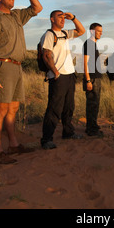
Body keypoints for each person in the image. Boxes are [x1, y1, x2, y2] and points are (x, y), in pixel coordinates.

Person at [0, 0, 43, 164]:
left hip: (17, 67)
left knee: (13, 108)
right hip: (2, 66)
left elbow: (37, 8)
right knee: (0, 109)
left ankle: (13, 145)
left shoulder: (16, 16)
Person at [40, 10, 85, 149]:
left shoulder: (65, 33)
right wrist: (56, 72)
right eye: (59, 17)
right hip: (58, 76)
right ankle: (47, 139)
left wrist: (74, 18)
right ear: (52, 19)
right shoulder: (49, 34)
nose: (62, 19)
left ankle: (68, 132)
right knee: (54, 108)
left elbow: (81, 31)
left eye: (63, 17)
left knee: (69, 106)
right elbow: (46, 55)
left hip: (70, 74)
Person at [83, 23, 104, 137]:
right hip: (92, 78)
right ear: (92, 31)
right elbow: (84, 63)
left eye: (101, 31)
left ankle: (92, 127)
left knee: (95, 104)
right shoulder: (89, 43)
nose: (101, 33)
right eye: (98, 31)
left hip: (95, 78)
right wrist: (88, 80)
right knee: (92, 104)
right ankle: (91, 130)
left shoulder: (93, 44)